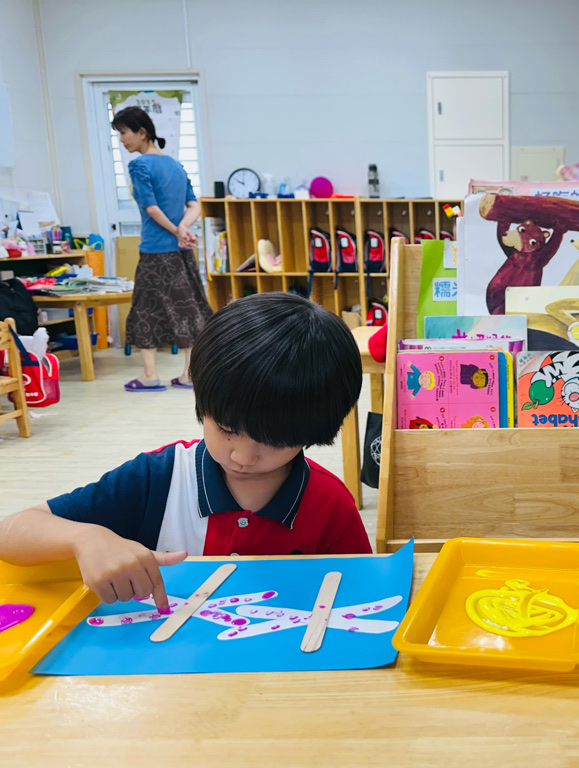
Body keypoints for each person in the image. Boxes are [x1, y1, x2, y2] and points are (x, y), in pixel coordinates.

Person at [0, 293, 369, 611]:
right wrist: (86, 539)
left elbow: (362, 597)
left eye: (273, 441)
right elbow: (11, 532)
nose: (242, 457)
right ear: (203, 402)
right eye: (227, 429)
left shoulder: (329, 503)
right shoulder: (158, 478)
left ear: (314, 431)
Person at [112, 105, 213, 392]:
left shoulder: (139, 166)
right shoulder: (175, 166)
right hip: (181, 252)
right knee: (189, 308)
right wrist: (183, 228)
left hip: (155, 251)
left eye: (124, 132)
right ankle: (188, 374)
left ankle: (150, 376)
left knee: (146, 310)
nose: (121, 139)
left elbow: (151, 208)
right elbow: (194, 205)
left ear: (142, 132)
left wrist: (176, 230)